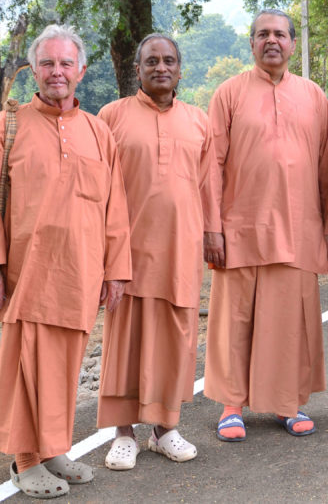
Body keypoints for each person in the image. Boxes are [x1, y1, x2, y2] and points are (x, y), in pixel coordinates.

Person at [0, 24, 131, 498]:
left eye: (65, 64)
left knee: (66, 366)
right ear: (33, 70)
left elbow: (115, 207)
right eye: (47, 63)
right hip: (26, 272)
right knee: (26, 365)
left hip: (80, 272)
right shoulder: (7, 126)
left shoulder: (99, 132)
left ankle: (53, 449)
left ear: (80, 70)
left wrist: (116, 268)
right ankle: (24, 460)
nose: (56, 72)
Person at [203, 9, 328, 441]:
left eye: (280, 34)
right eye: (263, 34)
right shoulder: (229, 94)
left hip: (299, 227)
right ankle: (231, 406)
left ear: (293, 44)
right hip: (240, 224)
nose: (272, 41)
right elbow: (211, 166)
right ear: (252, 44)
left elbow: (326, 165)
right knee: (235, 318)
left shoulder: (313, 95)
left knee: (289, 319)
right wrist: (212, 227)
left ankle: (287, 403)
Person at [95, 34, 215, 469]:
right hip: (127, 251)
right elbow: (97, 188)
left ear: (180, 69)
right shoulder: (111, 117)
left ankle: (165, 429)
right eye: (152, 62)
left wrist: (213, 233)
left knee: (175, 339)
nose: (161, 67)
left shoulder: (199, 121)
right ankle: (123, 433)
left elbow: (209, 186)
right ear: (138, 71)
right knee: (124, 341)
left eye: (169, 61)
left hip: (181, 248)